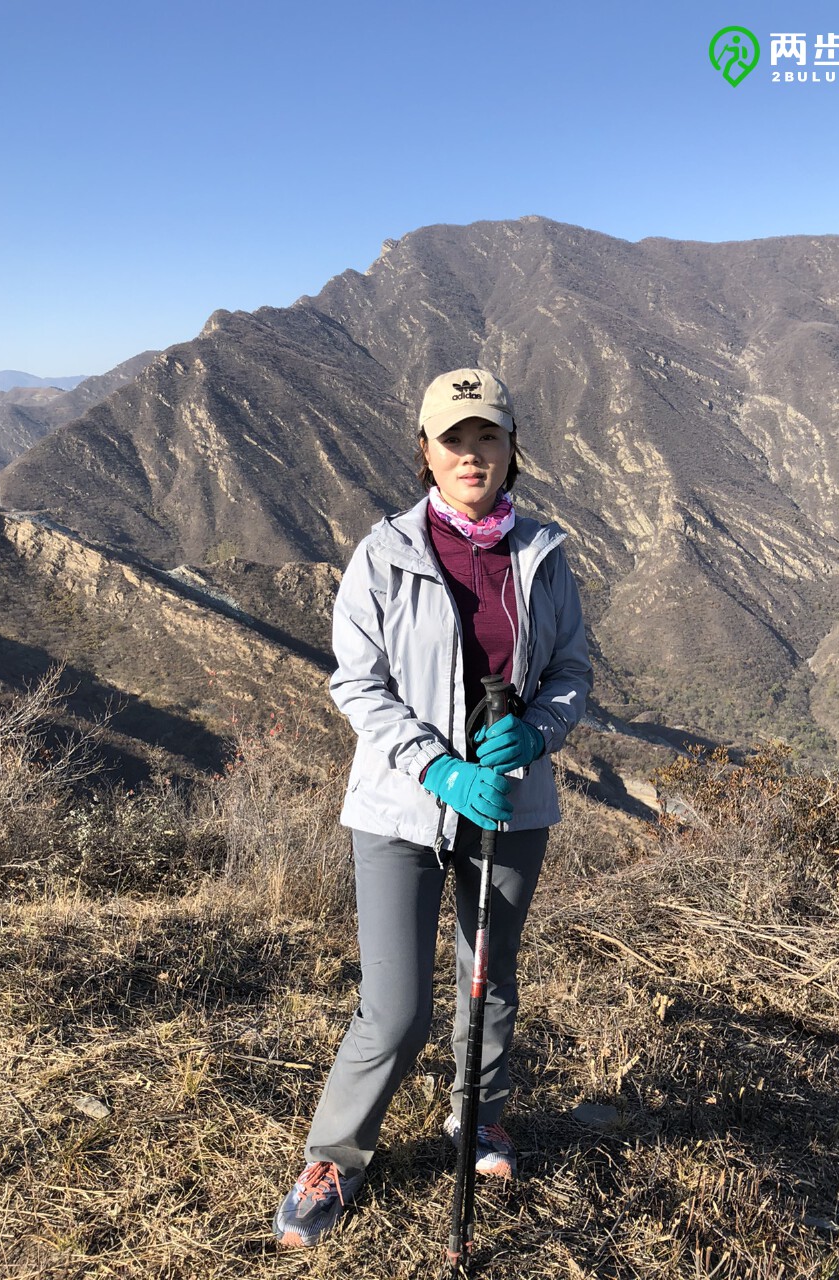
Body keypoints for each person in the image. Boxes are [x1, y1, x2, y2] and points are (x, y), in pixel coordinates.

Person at [273, 367, 593, 1247]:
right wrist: (437, 769)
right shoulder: (384, 555)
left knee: (488, 979)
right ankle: (335, 1154)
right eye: (453, 439)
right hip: (398, 812)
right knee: (397, 1004)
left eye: (487, 437)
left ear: (510, 449)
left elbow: (571, 674)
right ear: (425, 452)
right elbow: (358, 685)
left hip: (509, 809)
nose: (471, 454)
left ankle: (479, 1117)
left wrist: (534, 735)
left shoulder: (543, 555)